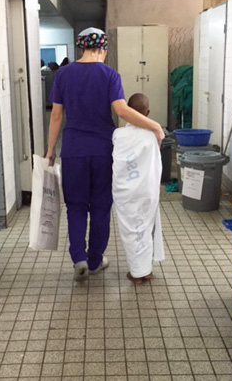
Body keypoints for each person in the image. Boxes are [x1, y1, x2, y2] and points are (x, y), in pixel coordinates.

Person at [45, 27, 164, 282]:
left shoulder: (63, 75)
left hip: (73, 151)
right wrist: (153, 125)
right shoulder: (109, 74)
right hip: (102, 152)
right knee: (100, 206)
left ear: (81, 47)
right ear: (102, 48)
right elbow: (121, 111)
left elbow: (56, 115)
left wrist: (50, 151)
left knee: (75, 206)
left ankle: (78, 257)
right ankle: (95, 260)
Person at [112, 93, 165, 284]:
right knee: (146, 226)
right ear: (147, 113)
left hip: (126, 191)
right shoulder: (152, 134)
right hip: (147, 189)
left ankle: (137, 272)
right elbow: (156, 163)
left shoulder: (118, 134)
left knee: (130, 229)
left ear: (126, 109)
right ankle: (146, 270)